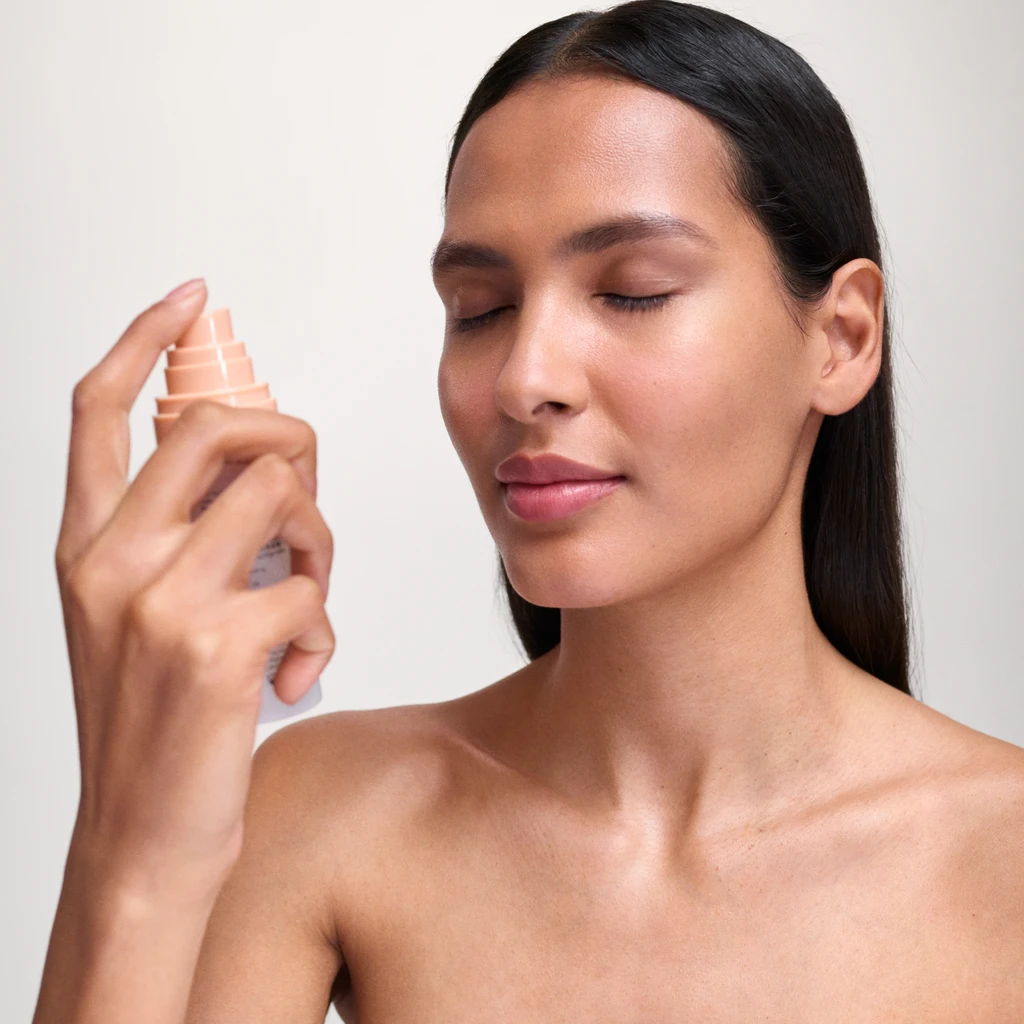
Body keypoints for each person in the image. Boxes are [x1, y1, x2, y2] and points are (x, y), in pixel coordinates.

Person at [33, 2, 1024, 1021]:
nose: (523, 377)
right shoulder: (326, 814)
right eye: (482, 309)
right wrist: (132, 837)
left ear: (843, 339)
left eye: (632, 291)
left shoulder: (1001, 860)